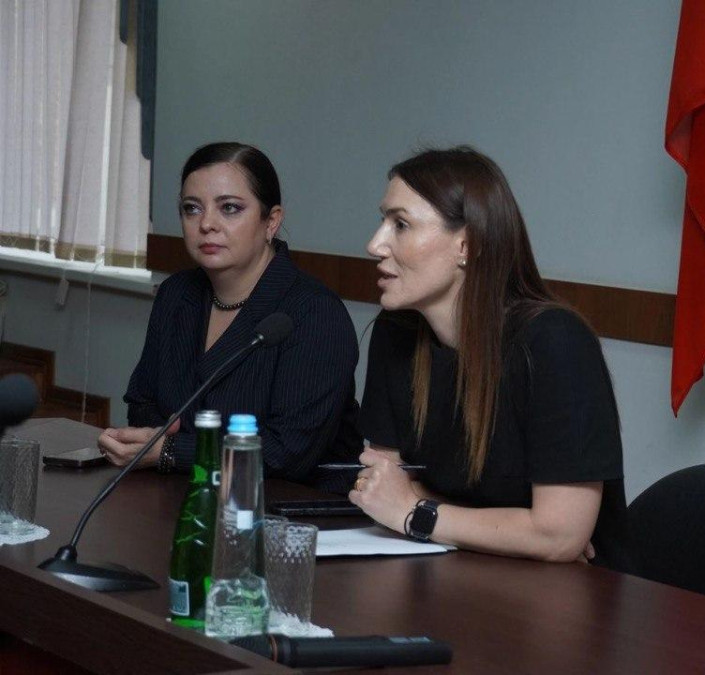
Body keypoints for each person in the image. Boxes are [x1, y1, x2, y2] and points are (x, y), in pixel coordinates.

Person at [350, 146, 626, 567]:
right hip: (457, 570)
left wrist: (416, 510)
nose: (374, 245)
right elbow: (381, 489)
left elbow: (559, 536)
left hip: (574, 593)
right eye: (383, 221)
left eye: (400, 224)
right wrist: (513, 530)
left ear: (468, 244)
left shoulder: (556, 342)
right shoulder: (396, 330)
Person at [100, 142, 360, 483]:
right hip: (185, 490)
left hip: (289, 504)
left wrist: (174, 450)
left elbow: (286, 454)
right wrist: (162, 444)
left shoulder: (315, 313)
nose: (207, 223)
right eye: (192, 209)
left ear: (271, 221)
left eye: (230, 208)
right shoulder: (175, 294)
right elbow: (141, 403)